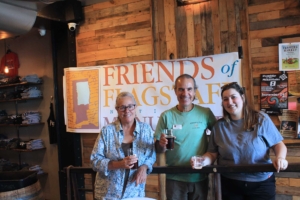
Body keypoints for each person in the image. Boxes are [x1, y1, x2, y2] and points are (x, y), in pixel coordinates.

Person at [191, 82, 288, 200]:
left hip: (261, 184)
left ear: (242, 97)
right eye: (225, 99)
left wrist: (280, 158)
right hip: (230, 184)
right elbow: (212, 153)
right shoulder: (219, 126)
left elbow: (279, 145)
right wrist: (202, 161)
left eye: (233, 97)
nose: (230, 102)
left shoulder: (261, 119)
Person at [155, 74, 216, 200]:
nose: (185, 93)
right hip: (174, 178)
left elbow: (218, 138)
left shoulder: (205, 113)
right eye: (181, 89)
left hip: (200, 177)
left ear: (194, 91)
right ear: (175, 91)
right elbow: (158, 149)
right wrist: (161, 145)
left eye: (189, 89)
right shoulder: (166, 116)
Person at [90, 92, 156, 200]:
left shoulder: (146, 129)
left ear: (135, 107)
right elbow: (95, 161)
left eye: (130, 106)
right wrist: (119, 164)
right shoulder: (107, 131)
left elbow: (151, 156)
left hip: (134, 192)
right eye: (122, 107)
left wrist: (144, 167)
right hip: (108, 194)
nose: (127, 111)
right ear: (117, 109)